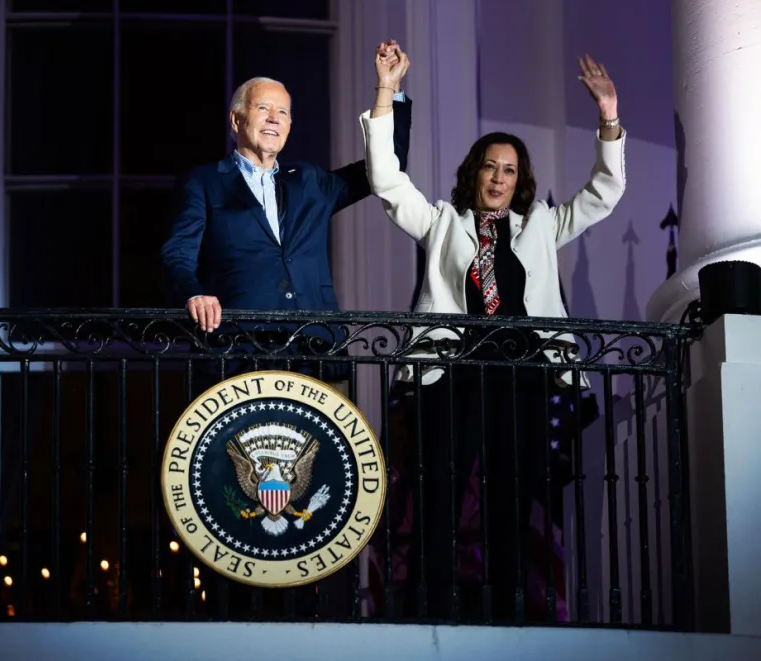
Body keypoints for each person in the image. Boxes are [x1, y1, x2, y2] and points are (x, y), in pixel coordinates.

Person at [360, 48, 626, 622]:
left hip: (523, 376)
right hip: (450, 374)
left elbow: (605, 192)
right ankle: (429, 607)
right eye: (489, 166)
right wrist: (386, 93)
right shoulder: (440, 222)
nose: (499, 178)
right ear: (474, 173)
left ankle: (508, 609)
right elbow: (384, 180)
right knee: (438, 494)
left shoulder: (543, 226)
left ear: (519, 180)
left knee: (512, 497)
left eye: (509, 169)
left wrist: (608, 116)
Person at [159, 42, 413, 395]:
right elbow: (177, 256)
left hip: (317, 349)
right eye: (263, 108)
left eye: (283, 112)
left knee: (322, 451)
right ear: (236, 119)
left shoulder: (310, 181)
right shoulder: (204, 182)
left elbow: (387, 165)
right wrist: (195, 295)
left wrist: (389, 89)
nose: (274, 118)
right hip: (239, 352)